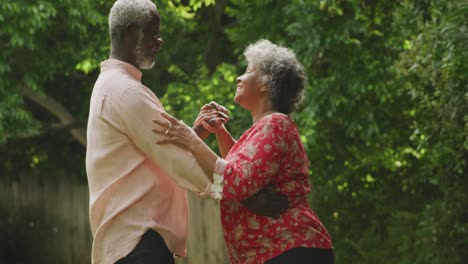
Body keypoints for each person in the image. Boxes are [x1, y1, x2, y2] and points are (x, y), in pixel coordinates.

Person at [86, 1, 287, 264]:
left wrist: (193, 135)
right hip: (138, 243)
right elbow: (176, 161)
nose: (160, 40)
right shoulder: (126, 92)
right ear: (133, 32)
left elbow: (155, 152)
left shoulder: (110, 86)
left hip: (129, 242)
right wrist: (243, 195)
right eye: (153, 32)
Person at [153, 39, 334, 264]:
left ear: (266, 84)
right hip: (275, 252)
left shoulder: (275, 124)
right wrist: (220, 132)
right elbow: (243, 170)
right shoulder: (266, 127)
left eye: (248, 71)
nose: (239, 77)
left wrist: (192, 140)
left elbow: (236, 183)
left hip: (290, 249)